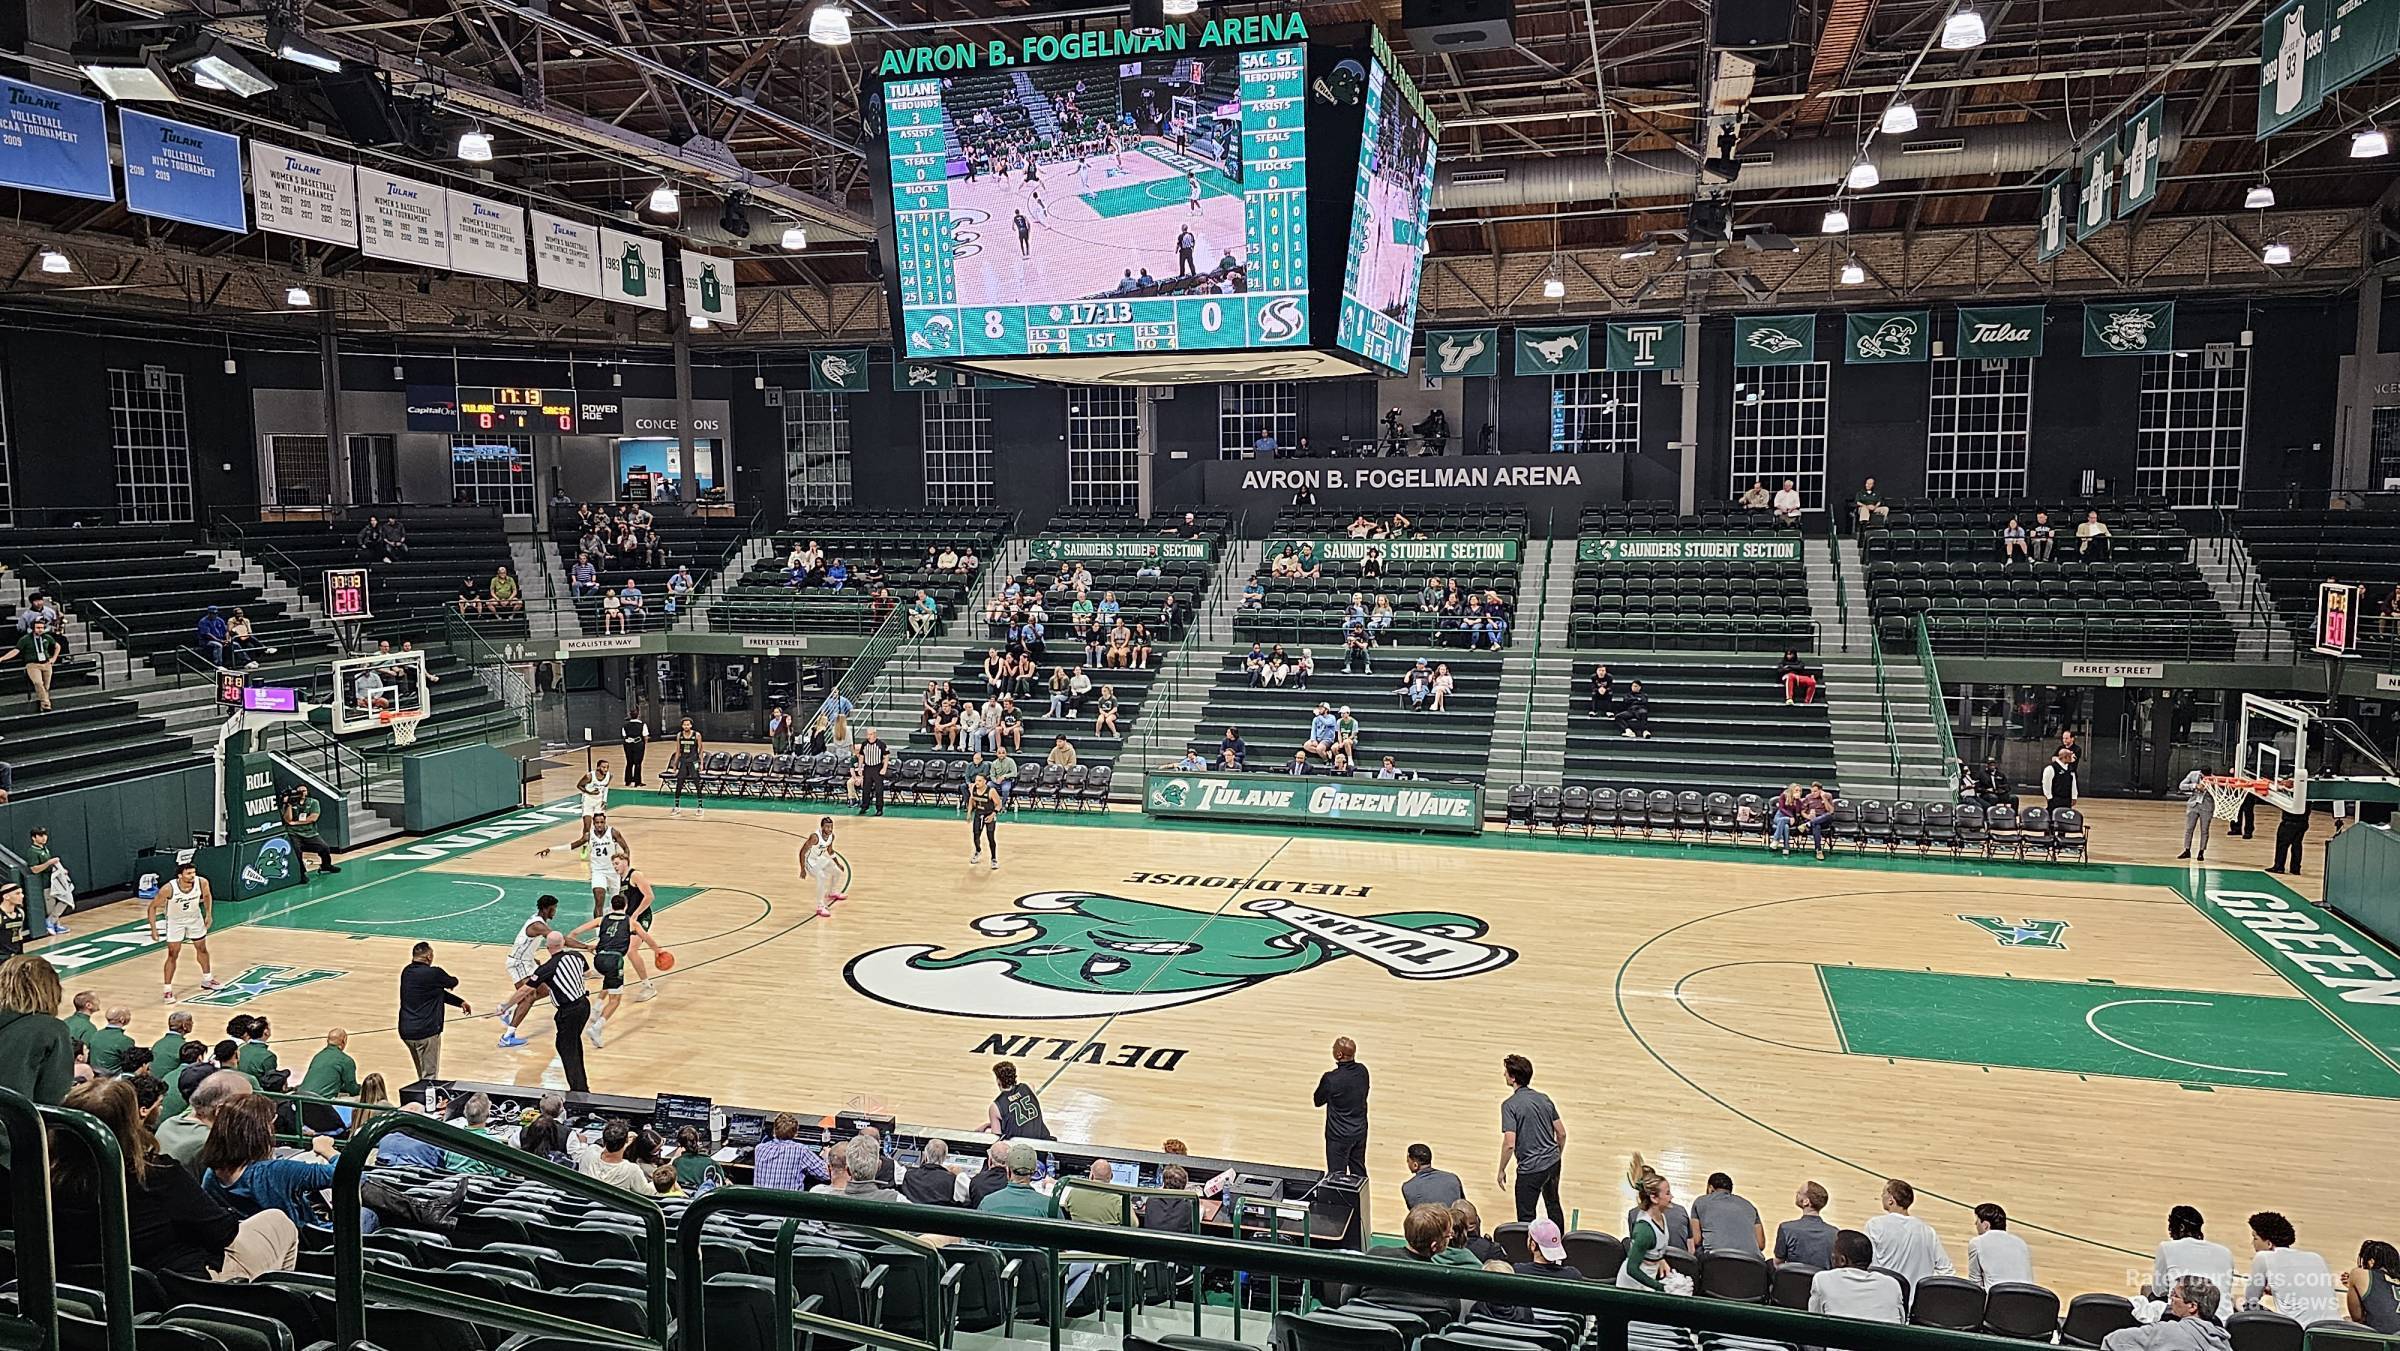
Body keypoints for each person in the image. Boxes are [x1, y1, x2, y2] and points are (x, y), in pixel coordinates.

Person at [51, 1077, 300, 1280]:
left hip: (102, 1285)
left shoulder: (45, 1178)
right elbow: (224, 1233)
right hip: (180, 1285)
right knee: (277, 1221)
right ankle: (266, 1306)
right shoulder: (155, 1173)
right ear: (131, 1124)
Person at [1359, 1203, 1472, 1325]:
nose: (1450, 1237)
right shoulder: (1447, 1286)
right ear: (1434, 1246)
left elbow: (1347, 1297)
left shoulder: (1374, 1256)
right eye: (1448, 1235)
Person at [1496, 1053, 1566, 1224]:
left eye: (1505, 1072)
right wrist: (1556, 1155)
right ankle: (1559, 1243)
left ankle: (1530, 1249)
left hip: (1530, 1170)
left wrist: (1501, 1169)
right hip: (1553, 1162)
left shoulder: (1509, 1105)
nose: (1503, 1075)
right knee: (1553, 1204)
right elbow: (1562, 1133)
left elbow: (1509, 1144)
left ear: (1513, 1078)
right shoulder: (1544, 1098)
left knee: (1526, 1216)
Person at [520, 932, 594, 1093]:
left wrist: (505, 1006)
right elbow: (588, 974)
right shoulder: (576, 956)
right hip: (584, 1005)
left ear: (547, 947)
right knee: (572, 1043)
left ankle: (579, 1090)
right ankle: (580, 1085)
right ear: (563, 943)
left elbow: (525, 990)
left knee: (566, 1046)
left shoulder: (547, 967)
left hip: (570, 1010)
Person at [2244, 1210, 2345, 1325]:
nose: (2252, 1243)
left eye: (2255, 1238)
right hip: (2334, 1328)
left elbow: (2251, 1299)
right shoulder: (2316, 1257)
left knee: (2240, 1304)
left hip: (2298, 1333)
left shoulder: (2264, 1257)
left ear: (2269, 1243)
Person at [147, 858, 218, 1003]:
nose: (193, 876)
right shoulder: (168, 889)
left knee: (202, 949)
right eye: (188, 873)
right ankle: (167, 990)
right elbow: (152, 907)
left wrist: (209, 914)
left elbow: (207, 896)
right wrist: (153, 929)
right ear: (180, 875)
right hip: (175, 922)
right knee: (173, 954)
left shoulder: (202, 882)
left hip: (194, 918)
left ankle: (207, 979)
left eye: (194, 872)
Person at [397, 941, 471, 1079]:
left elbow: (436, 993)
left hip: (407, 1031)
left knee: (422, 1074)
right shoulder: (434, 973)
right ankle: (427, 1100)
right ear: (429, 956)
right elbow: (452, 982)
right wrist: (446, 982)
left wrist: (459, 1002)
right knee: (429, 1076)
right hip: (426, 1033)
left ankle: (419, 1097)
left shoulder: (407, 972)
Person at [1865, 1178, 1955, 1284]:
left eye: (1883, 1193)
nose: (1881, 1196)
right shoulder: (1928, 1231)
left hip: (1886, 1296)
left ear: (1891, 1200)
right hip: (1917, 1299)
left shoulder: (1875, 1225)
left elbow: (1868, 1263)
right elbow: (1947, 1270)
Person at [2105, 1278, 2232, 1351]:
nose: (2170, 1298)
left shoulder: (2164, 1331)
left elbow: (2112, 1341)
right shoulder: (2224, 1342)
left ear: (2192, 1306)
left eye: (2175, 1295)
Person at [1809, 1229, 1907, 1322]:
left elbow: (1814, 1321)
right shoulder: (1892, 1284)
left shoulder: (1822, 1280)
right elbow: (1901, 1322)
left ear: (1842, 1261)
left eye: (1834, 1256)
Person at [2150, 1205, 2235, 1304]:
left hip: (2186, 1315)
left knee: (2148, 1292)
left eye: (2171, 1226)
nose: (2169, 1231)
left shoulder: (2166, 1247)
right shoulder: (2225, 1252)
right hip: (2222, 1317)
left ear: (2181, 1227)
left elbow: (2159, 1291)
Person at [1619, 1154, 1678, 1292]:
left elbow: (1651, 1251)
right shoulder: (1645, 1231)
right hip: (1632, 1286)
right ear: (1654, 1198)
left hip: (1647, 1280)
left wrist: (1660, 1260)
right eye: (1667, 1193)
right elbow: (1632, 1268)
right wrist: (1660, 1287)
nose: (1672, 1197)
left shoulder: (1661, 1218)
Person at [1315, 1036, 1369, 1177]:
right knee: (1359, 1171)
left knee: (1337, 1176)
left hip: (1338, 1136)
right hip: (1360, 1131)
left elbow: (1318, 1101)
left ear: (1339, 1054)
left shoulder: (1331, 1079)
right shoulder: (1363, 1071)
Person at [0, 615, 65, 712]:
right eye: (38, 628)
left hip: (46, 663)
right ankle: (46, 705)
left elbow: (57, 646)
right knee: (38, 683)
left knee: (46, 686)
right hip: (33, 664)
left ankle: (42, 705)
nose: (40, 630)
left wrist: (54, 658)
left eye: (42, 628)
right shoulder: (25, 639)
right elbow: (16, 650)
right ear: (33, 628)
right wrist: (2, 658)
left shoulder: (47, 637)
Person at [1692, 1171, 1765, 1255]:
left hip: (1715, 1262)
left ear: (1710, 1188)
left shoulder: (1700, 1201)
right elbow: (1760, 1244)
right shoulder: (1750, 1206)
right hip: (1750, 1264)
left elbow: (1696, 1240)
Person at [1968, 1202, 2035, 1285]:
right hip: (2028, 1295)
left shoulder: (1977, 1243)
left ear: (1986, 1225)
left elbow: (1975, 1282)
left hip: (1999, 1296)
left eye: (1977, 1221)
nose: (1975, 1224)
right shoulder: (2021, 1242)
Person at [2341, 1240, 2400, 1332]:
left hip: (2386, 1342)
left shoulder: (2358, 1274)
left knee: (2346, 1320)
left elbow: (2357, 1319)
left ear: (2371, 1262)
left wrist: (2354, 1286)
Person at [1777, 1181, 1838, 1267]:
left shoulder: (1786, 1228)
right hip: (1820, 1280)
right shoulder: (1834, 1233)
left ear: (1806, 1201)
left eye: (1799, 1192)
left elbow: (1778, 1263)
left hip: (1792, 1279)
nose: (1796, 1193)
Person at [281, 785, 339, 875]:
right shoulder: (291, 803)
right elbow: (288, 820)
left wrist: (295, 823)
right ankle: (302, 873)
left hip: (310, 832)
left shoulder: (313, 802)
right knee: (297, 852)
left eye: (303, 791)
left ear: (307, 792)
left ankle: (325, 865)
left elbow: (313, 818)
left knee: (324, 848)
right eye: (299, 791)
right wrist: (288, 805)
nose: (301, 793)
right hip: (294, 833)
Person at [987, 1059, 1052, 1139]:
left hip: (1021, 1148)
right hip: (1044, 1140)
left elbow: (996, 1139)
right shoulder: (1029, 1086)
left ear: (998, 1081)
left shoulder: (995, 1107)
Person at [799, 815, 845, 917]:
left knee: (837, 871)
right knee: (822, 877)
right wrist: (803, 869)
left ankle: (832, 892)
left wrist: (838, 863)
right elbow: (802, 852)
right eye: (827, 827)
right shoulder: (815, 837)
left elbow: (830, 850)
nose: (829, 829)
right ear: (822, 827)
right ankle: (820, 907)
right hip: (810, 861)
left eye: (831, 827)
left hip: (819, 859)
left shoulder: (831, 836)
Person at [1402, 1142, 1465, 1209]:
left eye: (1408, 1160)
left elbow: (1415, 1216)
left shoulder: (1408, 1188)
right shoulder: (1452, 1178)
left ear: (1415, 1165)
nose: (1407, 1162)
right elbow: (1464, 1206)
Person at [669, 717, 705, 817]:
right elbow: (678, 751)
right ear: (682, 726)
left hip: (693, 762)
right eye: (684, 725)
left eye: (688, 724)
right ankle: (676, 807)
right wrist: (675, 765)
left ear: (691, 725)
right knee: (679, 783)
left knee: (697, 783)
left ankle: (700, 807)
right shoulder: (679, 735)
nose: (686, 726)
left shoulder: (697, 735)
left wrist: (701, 763)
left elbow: (701, 750)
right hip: (683, 762)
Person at [2177, 767, 2215, 861]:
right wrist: (2194, 786)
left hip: (2206, 807)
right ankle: (2187, 850)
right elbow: (2181, 786)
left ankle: (2201, 852)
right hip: (2193, 805)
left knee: (2204, 830)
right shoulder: (2193, 774)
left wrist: (2210, 787)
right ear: (2201, 773)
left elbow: (2219, 793)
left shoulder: (2214, 780)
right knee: (2189, 829)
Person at [85, 1005, 136, 1073]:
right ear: (122, 1019)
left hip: (94, 1073)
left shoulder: (95, 1034)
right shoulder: (126, 1041)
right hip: (113, 1078)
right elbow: (131, 1064)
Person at [967, 773, 1002, 870]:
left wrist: (992, 815)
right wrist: (969, 812)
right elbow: (971, 799)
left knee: (990, 838)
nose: (977, 783)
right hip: (979, 814)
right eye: (976, 780)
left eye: (979, 781)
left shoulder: (991, 791)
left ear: (985, 782)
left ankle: (994, 859)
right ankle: (978, 851)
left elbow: (999, 805)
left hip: (989, 814)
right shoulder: (973, 789)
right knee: (976, 836)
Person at [2272, 802, 2314, 875]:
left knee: (2282, 844)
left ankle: (2279, 866)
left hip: (2290, 820)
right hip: (2303, 821)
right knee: (2297, 844)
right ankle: (2295, 868)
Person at [855, 729, 888, 815]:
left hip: (877, 768)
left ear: (875, 734)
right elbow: (861, 756)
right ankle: (864, 806)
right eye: (867, 734)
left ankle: (879, 808)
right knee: (866, 789)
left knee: (879, 789)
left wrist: (884, 768)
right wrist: (859, 767)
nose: (868, 736)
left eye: (870, 734)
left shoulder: (881, 744)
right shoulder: (864, 744)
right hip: (867, 768)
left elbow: (886, 756)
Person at [620, 709, 649, 787]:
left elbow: (624, 735)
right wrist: (644, 744)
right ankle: (637, 782)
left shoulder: (625, 725)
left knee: (629, 762)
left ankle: (628, 781)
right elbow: (645, 736)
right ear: (638, 715)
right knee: (638, 763)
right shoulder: (642, 724)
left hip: (628, 745)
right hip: (638, 744)